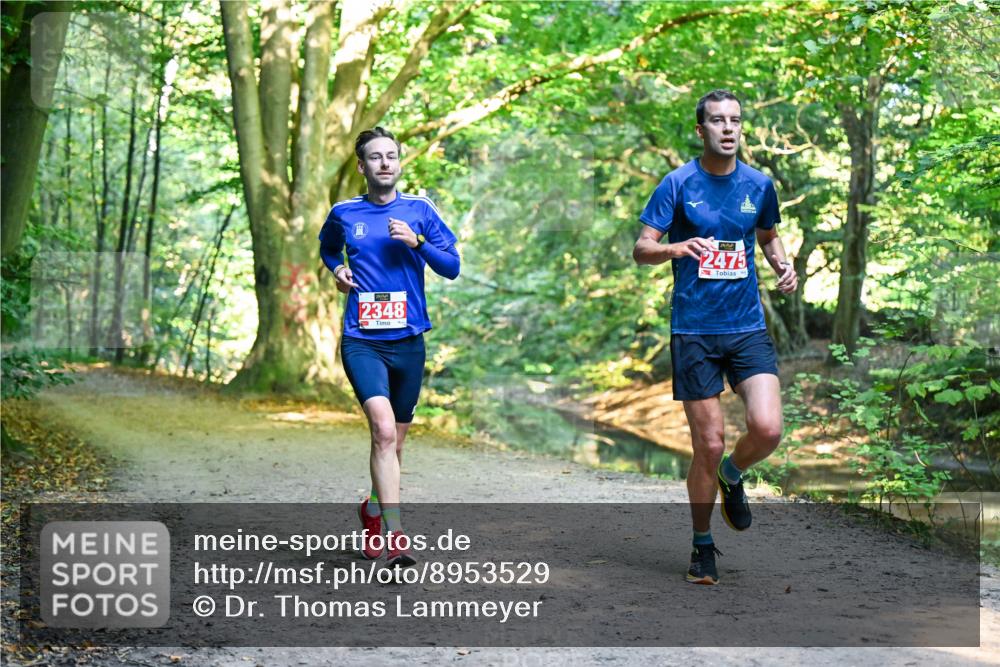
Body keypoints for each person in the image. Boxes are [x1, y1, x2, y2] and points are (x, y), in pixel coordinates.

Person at [632, 90, 798, 585]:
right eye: (718, 121)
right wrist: (677, 248)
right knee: (707, 443)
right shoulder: (678, 183)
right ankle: (702, 544)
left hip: (746, 326)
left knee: (767, 429)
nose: (729, 128)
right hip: (694, 330)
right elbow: (642, 248)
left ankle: (733, 472)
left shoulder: (759, 184)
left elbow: (768, 235)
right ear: (701, 130)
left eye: (736, 121)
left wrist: (782, 265)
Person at [319, 127, 460, 568]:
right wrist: (338, 270)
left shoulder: (420, 210)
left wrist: (418, 243)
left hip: (408, 342)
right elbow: (327, 250)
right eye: (375, 157)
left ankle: (374, 510)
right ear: (361, 166)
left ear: (399, 163)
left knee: (394, 446)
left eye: (392, 156)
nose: (385, 163)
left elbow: (452, 266)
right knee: (381, 430)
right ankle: (397, 536)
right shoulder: (344, 212)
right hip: (363, 340)